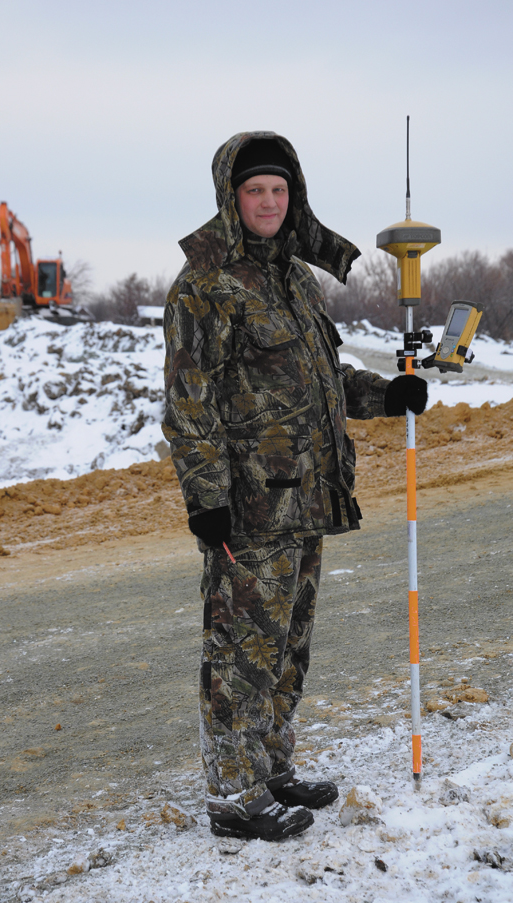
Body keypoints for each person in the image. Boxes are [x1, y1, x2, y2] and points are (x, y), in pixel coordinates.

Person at [162, 131, 427, 841]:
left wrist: (386, 395)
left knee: (287, 646)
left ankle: (273, 765)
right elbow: (189, 404)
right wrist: (205, 498)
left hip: (306, 496)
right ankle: (233, 793)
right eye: (256, 190)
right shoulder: (204, 285)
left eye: (279, 190)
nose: (270, 202)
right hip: (247, 505)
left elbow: (321, 383)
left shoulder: (294, 278)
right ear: (232, 197)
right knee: (241, 649)